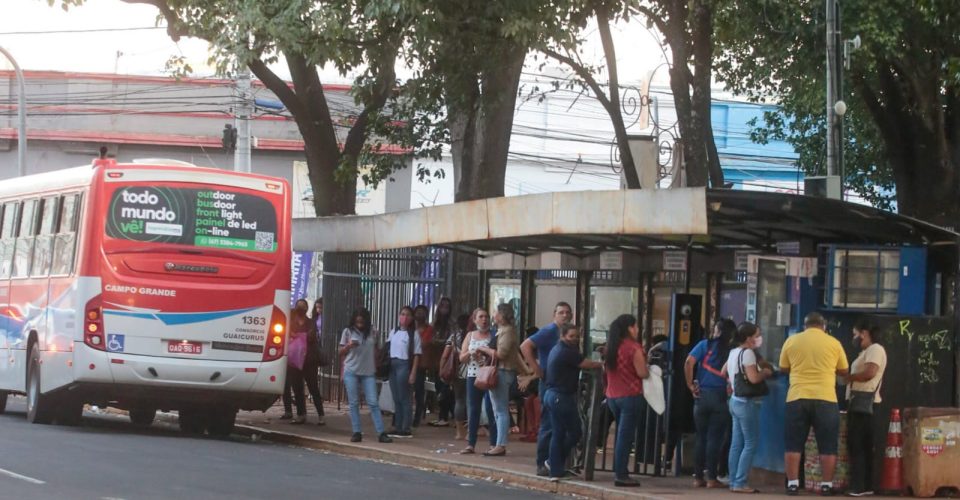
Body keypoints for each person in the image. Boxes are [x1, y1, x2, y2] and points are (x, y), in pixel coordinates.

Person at [779, 312, 849, 496]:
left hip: (797, 397)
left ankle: (793, 484)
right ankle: (826, 485)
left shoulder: (792, 341)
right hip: (826, 398)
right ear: (823, 326)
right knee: (827, 445)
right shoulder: (833, 343)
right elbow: (843, 370)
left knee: (793, 444)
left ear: (805, 326)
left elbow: (783, 368)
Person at [520, 301, 573, 477]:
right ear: (554, 315)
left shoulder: (568, 334)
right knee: (549, 424)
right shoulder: (549, 331)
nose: (565, 315)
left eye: (567, 312)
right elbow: (525, 346)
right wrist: (538, 370)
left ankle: (556, 462)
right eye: (561, 312)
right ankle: (543, 462)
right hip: (550, 383)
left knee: (562, 425)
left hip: (563, 384)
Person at [544, 324, 603, 480]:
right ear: (563, 336)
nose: (575, 339)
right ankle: (554, 463)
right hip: (560, 396)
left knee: (558, 433)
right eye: (571, 336)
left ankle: (555, 468)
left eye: (577, 336)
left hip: (552, 395)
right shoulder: (567, 351)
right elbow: (587, 364)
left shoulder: (557, 349)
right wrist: (603, 364)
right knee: (575, 431)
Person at [472, 303, 531, 456]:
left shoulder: (507, 332)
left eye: (496, 313)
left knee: (501, 410)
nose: (493, 315)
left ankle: (501, 443)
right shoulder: (503, 331)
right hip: (501, 371)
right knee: (497, 410)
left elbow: (502, 354)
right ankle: (498, 442)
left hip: (503, 371)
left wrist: (484, 349)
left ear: (502, 315)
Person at [722, 322, 773, 494]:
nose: (759, 338)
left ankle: (733, 480)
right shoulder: (748, 353)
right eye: (757, 335)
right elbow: (753, 379)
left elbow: (724, 372)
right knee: (750, 443)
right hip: (746, 403)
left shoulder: (733, 352)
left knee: (736, 444)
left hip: (734, 401)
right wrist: (765, 373)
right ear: (748, 338)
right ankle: (741, 482)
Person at [685, 318, 736, 488]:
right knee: (715, 438)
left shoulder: (705, 345)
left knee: (701, 437)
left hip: (701, 396)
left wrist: (690, 385)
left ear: (718, 331)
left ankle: (698, 477)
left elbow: (689, 362)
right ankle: (712, 478)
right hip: (721, 397)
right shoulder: (732, 350)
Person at [604, 314, 649, 487]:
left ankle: (618, 468)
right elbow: (642, 373)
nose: (637, 330)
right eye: (636, 327)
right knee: (625, 436)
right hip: (630, 395)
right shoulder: (633, 348)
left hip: (612, 396)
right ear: (630, 328)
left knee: (621, 435)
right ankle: (621, 473)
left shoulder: (611, 347)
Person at [844, 320, 887, 497]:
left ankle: (858, 486)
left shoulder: (875, 349)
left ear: (864, 333)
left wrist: (849, 377)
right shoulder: (866, 351)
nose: (854, 338)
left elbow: (870, 373)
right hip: (860, 403)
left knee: (858, 444)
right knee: (865, 445)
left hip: (865, 403)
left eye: (856, 334)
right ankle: (867, 484)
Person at [339, 308, 392, 444]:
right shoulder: (348, 332)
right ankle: (357, 431)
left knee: (373, 402)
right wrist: (349, 346)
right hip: (351, 370)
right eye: (357, 320)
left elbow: (379, 349)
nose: (360, 322)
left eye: (362, 320)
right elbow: (340, 351)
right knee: (354, 402)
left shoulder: (373, 332)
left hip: (368, 372)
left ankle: (381, 433)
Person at [458, 308, 498, 454]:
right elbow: (461, 357)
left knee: (490, 409)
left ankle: (494, 443)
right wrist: (471, 353)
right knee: (473, 409)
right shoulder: (470, 336)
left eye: (486, 317)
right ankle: (471, 443)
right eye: (481, 317)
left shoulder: (493, 335)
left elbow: (497, 355)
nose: (484, 319)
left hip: (488, 375)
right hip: (473, 375)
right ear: (474, 320)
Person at [387, 306, 421, 438]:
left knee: (404, 397)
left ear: (411, 318)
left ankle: (406, 427)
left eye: (407, 315)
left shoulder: (413, 334)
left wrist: (413, 372)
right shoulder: (393, 331)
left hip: (404, 364)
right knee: (396, 398)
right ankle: (398, 425)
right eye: (402, 314)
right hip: (393, 365)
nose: (404, 317)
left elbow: (417, 354)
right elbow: (388, 347)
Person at [282, 299, 313, 424]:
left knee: (298, 387)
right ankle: (288, 410)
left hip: (303, 357)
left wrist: (301, 336)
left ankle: (301, 413)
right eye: (299, 306)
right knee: (287, 385)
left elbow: (312, 335)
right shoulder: (291, 320)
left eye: (303, 306)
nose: (301, 308)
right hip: (290, 357)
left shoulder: (309, 322)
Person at [440, 313, 470, 440]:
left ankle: (459, 431)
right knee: (472, 402)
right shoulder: (473, 336)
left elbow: (445, 355)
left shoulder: (454, 337)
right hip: (472, 372)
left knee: (459, 400)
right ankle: (471, 429)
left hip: (458, 372)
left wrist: (441, 370)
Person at [429, 297, 457, 427]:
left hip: (447, 360)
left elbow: (451, 340)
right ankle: (443, 415)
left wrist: (440, 342)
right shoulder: (434, 324)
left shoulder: (451, 324)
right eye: (442, 306)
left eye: (447, 306)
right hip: (435, 359)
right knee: (439, 388)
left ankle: (447, 416)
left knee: (446, 389)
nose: (444, 309)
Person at [302, 298, 325, 425]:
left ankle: (321, 414)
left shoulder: (310, 323)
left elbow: (312, 337)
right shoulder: (311, 320)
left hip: (310, 359)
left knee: (313, 387)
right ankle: (301, 414)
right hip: (297, 359)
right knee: (298, 387)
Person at [412, 304, 434, 427]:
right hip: (409, 361)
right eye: (418, 312)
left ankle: (417, 417)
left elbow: (424, 344)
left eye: (422, 312)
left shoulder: (428, 329)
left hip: (421, 363)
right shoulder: (411, 328)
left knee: (419, 391)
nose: (420, 315)